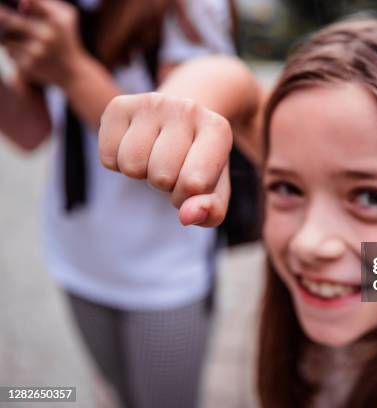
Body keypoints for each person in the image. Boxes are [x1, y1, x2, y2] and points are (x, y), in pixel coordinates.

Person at [98, 17, 377, 407]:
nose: (309, 242)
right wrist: (181, 105)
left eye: (370, 197)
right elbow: (245, 92)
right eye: (287, 187)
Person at [0, 0, 234, 407]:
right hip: (78, 254)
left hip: (163, 273)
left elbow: (174, 160)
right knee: (122, 396)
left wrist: (69, 67)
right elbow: (31, 132)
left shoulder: (189, 9)